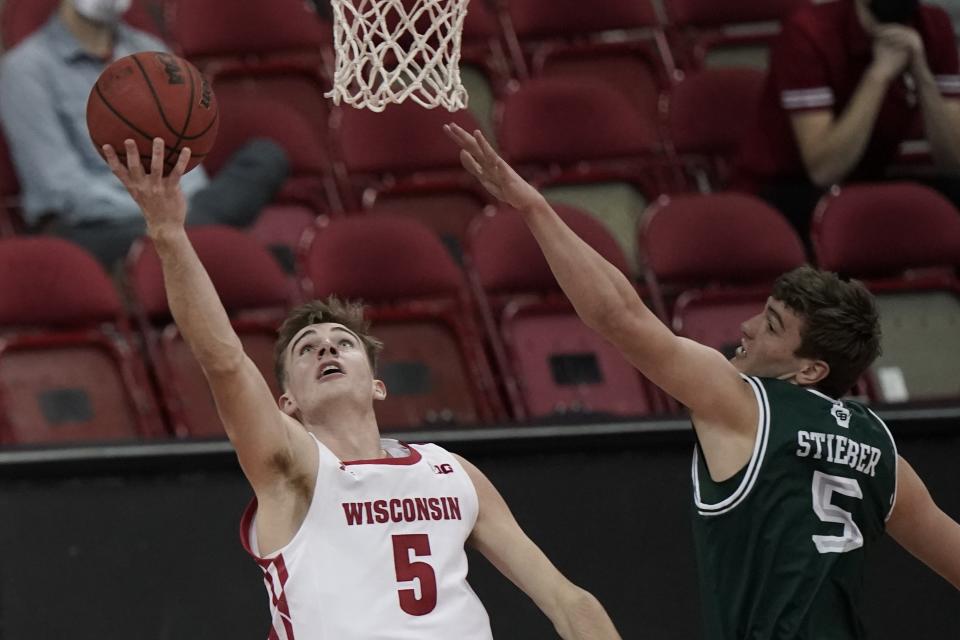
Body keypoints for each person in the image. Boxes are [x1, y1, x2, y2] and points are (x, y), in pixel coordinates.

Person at [446, 122, 960, 639]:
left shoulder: (745, 403)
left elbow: (620, 316)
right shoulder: (879, 448)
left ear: (810, 371)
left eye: (772, 326)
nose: (747, 328)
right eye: (765, 312)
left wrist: (533, 207)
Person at [100, 136, 622, 639]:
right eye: (307, 348)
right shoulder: (293, 468)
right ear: (287, 403)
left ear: (377, 385)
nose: (326, 349)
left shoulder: (450, 472)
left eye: (342, 342)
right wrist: (168, 232)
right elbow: (224, 361)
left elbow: (567, 601)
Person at [0, 0, 288, 267]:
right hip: (95, 225)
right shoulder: (26, 69)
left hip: (176, 207)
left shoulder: (151, 50)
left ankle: (208, 245)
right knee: (164, 235)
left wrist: (176, 212)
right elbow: (60, 187)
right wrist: (155, 211)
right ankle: (227, 250)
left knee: (265, 157)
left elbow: (184, 149)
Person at [734, 0, 960, 243]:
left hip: (864, 182)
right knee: (857, 219)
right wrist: (879, 74)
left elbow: (955, 163)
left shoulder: (933, 26)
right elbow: (824, 171)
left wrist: (922, 74)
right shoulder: (810, 32)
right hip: (783, 190)